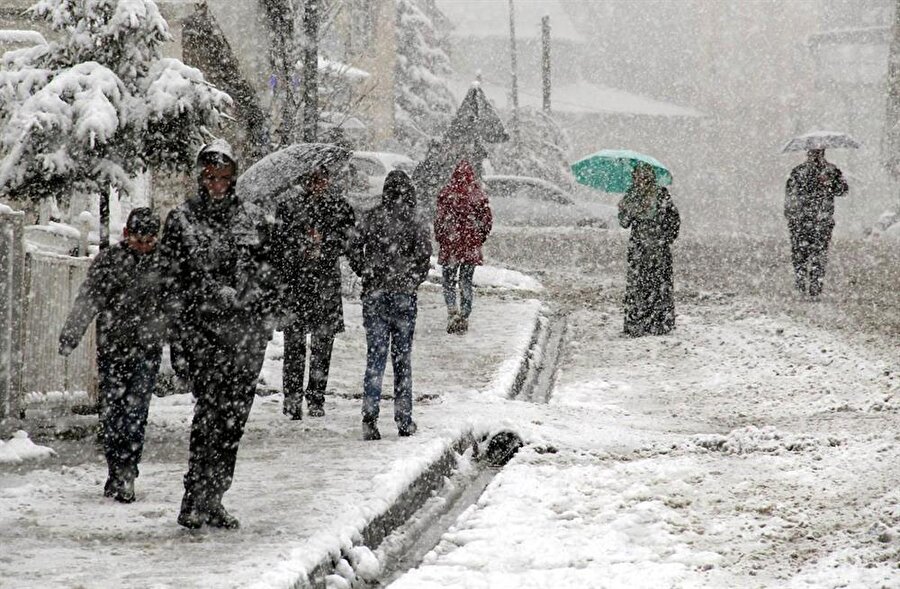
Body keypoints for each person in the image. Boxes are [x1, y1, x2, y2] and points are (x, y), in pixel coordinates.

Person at [159, 139, 274, 530]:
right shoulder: (182, 220)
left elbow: (267, 274)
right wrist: (179, 338)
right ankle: (194, 496)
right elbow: (171, 284)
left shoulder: (252, 219)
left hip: (244, 338)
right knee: (209, 416)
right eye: (210, 177)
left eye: (223, 177)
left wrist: (253, 301)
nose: (217, 185)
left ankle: (215, 496)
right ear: (200, 177)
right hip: (203, 335)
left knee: (233, 422)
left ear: (234, 178)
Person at [58, 207, 164, 504]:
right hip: (114, 348)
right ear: (127, 235)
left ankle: (127, 470)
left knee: (135, 413)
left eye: (150, 240)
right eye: (139, 239)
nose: (144, 245)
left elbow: (176, 309)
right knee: (112, 413)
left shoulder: (164, 264)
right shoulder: (110, 262)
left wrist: (180, 348)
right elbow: (89, 299)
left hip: (147, 349)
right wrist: (72, 333)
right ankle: (116, 467)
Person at [349, 170, 432, 441]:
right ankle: (404, 418)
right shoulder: (415, 219)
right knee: (402, 359)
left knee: (375, 358)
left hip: (374, 294)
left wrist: (365, 270)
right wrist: (411, 279)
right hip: (403, 296)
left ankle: (370, 417)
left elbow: (352, 247)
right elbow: (424, 256)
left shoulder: (371, 217)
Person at [269, 166, 356, 420]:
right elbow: (278, 247)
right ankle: (293, 398)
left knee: (322, 344)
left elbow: (348, 241)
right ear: (304, 181)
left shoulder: (339, 208)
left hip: (324, 285)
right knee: (294, 345)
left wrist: (325, 244)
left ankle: (316, 397)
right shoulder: (287, 208)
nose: (318, 184)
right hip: (296, 285)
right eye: (313, 180)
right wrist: (300, 248)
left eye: (322, 179)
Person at [617, 163, 680, 337]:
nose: (641, 179)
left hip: (658, 249)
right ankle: (637, 323)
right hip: (639, 248)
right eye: (638, 176)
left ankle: (659, 323)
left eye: (645, 176)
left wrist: (665, 238)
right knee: (638, 284)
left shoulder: (661, 194)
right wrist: (624, 210)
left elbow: (673, 219)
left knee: (659, 284)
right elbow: (624, 223)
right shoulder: (631, 196)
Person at [434, 159, 492, 334]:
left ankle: (452, 309)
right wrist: (478, 238)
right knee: (466, 281)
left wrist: (442, 238)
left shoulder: (446, 194)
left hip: (451, 246)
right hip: (469, 246)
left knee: (449, 282)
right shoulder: (478, 196)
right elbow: (487, 221)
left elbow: (439, 220)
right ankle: (465, 314)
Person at [784, 148, 848, 297]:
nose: (815, 156)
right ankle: (802, 284)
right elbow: (790, 194)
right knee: (801, 254)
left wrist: (829, 183)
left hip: (821, 220)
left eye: (818, 153)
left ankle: (814, 286)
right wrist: (791, 215)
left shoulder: (831, 171)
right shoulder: (799, 171)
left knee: (817, 254)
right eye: (813, 153)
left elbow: (843, 190)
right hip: (802, 220)